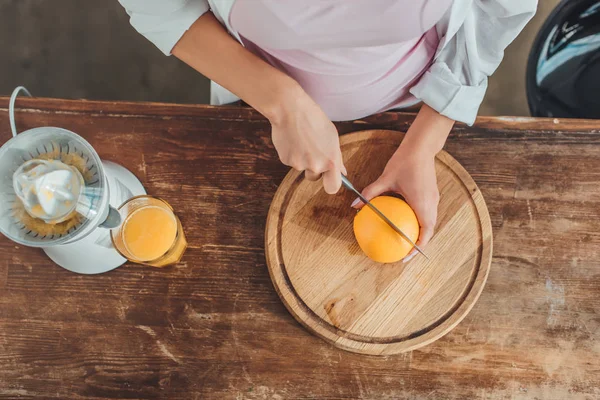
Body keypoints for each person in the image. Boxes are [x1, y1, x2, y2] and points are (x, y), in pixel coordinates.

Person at [118, 0, 536, 260]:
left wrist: (425, 141)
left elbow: (496, 10)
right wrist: (280, 101)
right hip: (256, 101)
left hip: (415, 96)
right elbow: (157, 5)